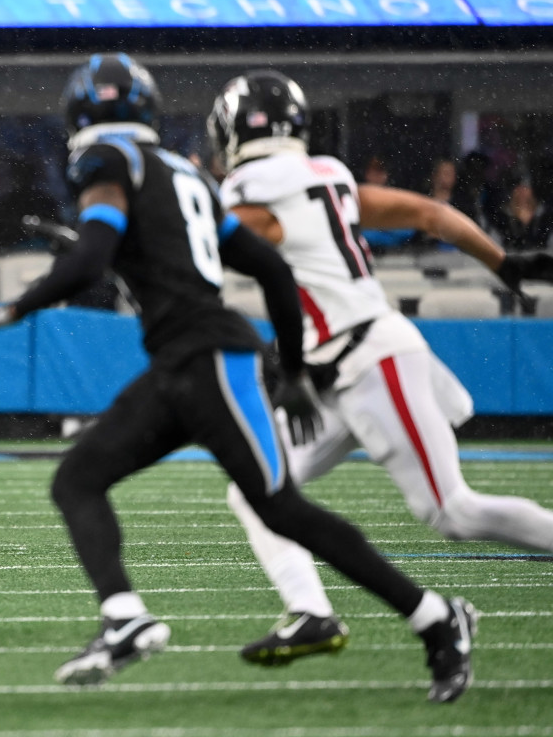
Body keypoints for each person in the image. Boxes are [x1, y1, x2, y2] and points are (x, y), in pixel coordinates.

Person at [0, 53, 476, 703]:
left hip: (209, 359)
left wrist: (19, 305)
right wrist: (291, 371)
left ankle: (436, 619)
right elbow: (266, 267)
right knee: (78, 478)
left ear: (79, 114)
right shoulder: (192, 176)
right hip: (187, 363)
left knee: (278, 506)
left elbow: (96, 258)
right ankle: (124, 618)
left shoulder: (106, 161)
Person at [207, 68, 553, 668]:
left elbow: (227, 245)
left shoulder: (250, 187)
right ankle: (311, 613)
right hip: (335, 369)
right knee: (255, 487)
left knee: (452, 511)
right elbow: (428, 215)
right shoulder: (328, 174)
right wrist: (504, 263)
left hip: (369, 358)